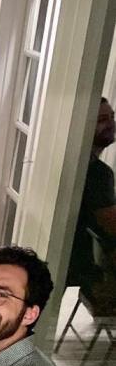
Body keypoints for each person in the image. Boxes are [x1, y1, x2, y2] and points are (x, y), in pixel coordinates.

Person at [66, 97, 116, 304]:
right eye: (102, 120)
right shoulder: (97, 173)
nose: (111, 124)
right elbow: (111, 225)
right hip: (80, 268)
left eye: (112, 117)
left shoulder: (74, 161)